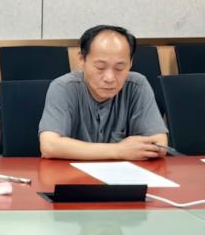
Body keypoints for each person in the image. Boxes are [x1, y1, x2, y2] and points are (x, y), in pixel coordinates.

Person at [39, 24, 168, 160]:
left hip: (123, 172)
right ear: (82, 60)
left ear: (130, 63)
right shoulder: (64, 88)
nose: (109, 78)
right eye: (100, 67)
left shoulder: (137, 86)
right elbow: (49, 146)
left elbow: (159, 144)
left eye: (119, 68)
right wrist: (119, 151)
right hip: (70, 172)